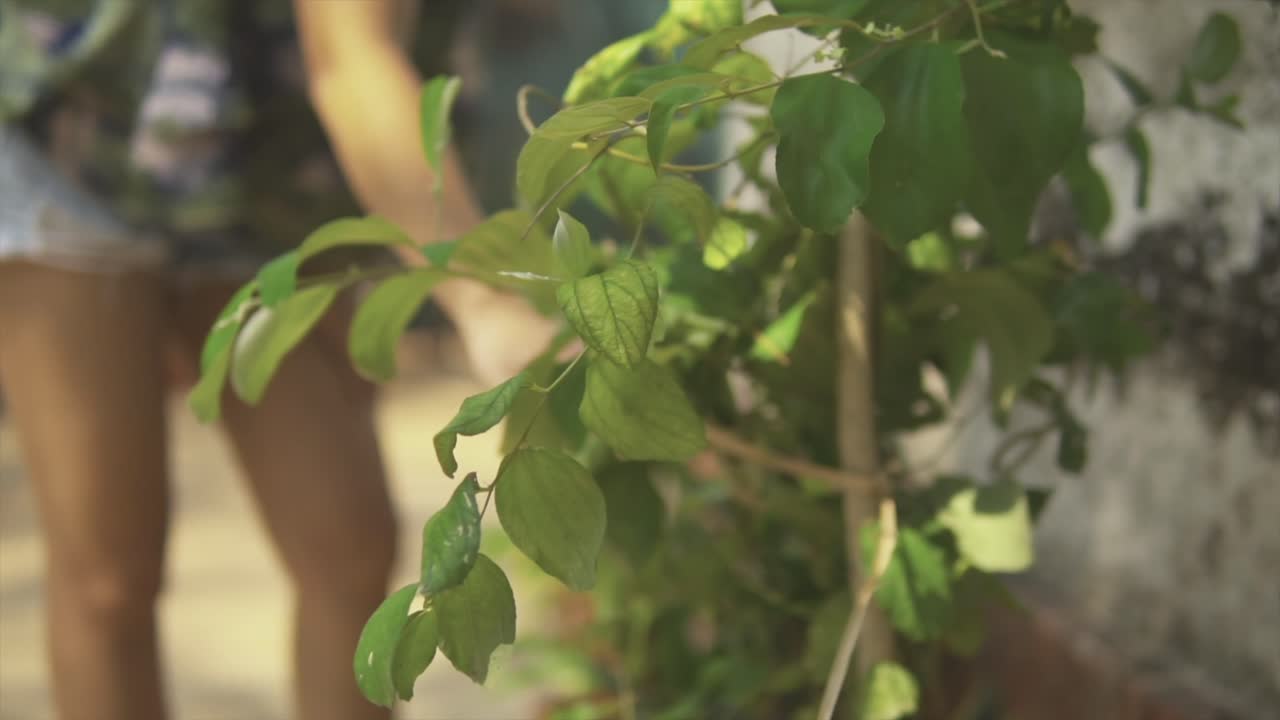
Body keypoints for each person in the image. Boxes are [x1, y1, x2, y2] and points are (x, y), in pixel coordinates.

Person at [0, 1, 559, 719]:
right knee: (107, 573)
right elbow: (350, 64)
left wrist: (487, 298)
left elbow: (354, 51)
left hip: (272, 165)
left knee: (350, 548)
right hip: (68, 125)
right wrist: (485, 301)